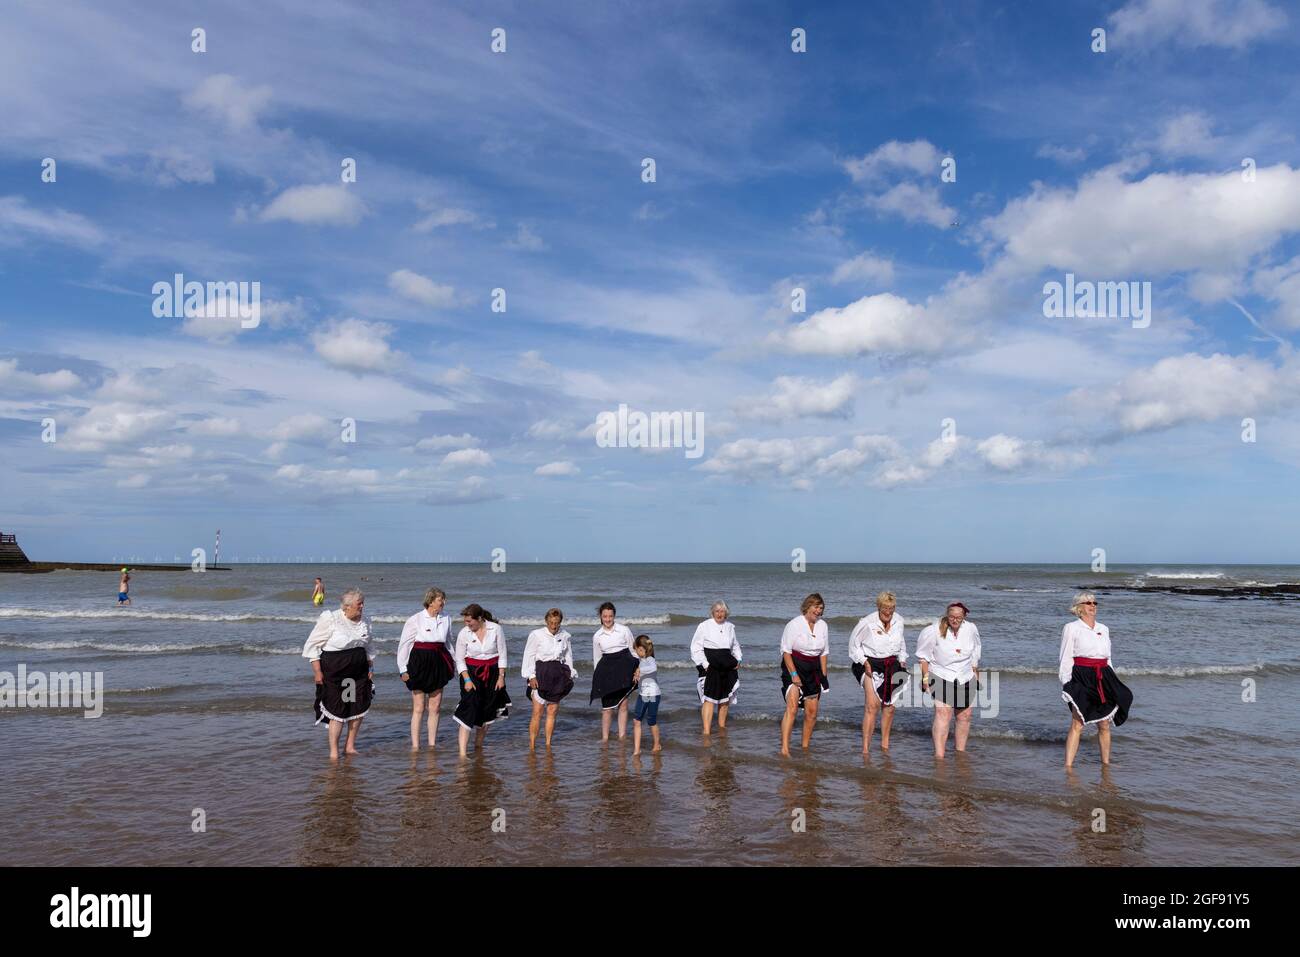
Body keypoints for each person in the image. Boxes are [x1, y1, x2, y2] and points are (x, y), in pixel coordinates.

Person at [1061, 591, 1133, 768]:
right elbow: (1065, 657)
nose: (1093, 606)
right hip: (1081, 676)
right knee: (1078, 723)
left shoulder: (1104, 628)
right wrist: (1066, 684)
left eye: (1095, 603)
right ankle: (1068, 766)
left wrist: (1112, 680)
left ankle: (1106, 764)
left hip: (1104, 675)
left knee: (1104, 724)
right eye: (1088, 603)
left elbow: (1108, 658)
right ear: (1079, 607)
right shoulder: (1071, 628)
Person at [303, 588, 375, 760]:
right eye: (359, 604)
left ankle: (349, 746)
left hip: (357, 673)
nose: (362, 606)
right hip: (335, 672)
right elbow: (312, 646)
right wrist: (317, 671)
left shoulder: (365, 620)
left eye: (363, 603)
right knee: (338, 710)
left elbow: (369, 647)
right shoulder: (331, 618)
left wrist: (370, 668)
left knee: (356, 707)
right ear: (346, 607)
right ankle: (334, 751)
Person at [915, 602, 981, 758]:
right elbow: (923, 657)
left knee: (965, 716)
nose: (955, 620)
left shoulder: (971, 629)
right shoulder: (933, 630)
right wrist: (925, 677)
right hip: (940, 675)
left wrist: (975, 669)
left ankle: (960, 753)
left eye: (959, 617)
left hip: (965, 676)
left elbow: (976, 649)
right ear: (947, 615)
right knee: (943, 712)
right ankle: (939, 756)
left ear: (964, 617)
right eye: (952, 616)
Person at [848, 590, 910, 754]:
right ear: (878, 607)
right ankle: (865, 750)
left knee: (889, 707)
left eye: (891, 609)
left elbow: (901, 643)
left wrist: (902, 659)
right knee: (872, 706)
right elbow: (854, 646)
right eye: (885, 609)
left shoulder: (899, 621)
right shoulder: (867, 622)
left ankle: (885, 745)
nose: (888, 612)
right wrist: (864, 662)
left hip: (892, 664)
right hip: (869, 663)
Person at [397, 587, 454, 750]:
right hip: (419, 662)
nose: (443, 602)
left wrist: (455, 663)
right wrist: (403, 669)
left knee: (435, 707)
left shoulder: (447, 618)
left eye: (444, 599)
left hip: (439, 662)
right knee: (419, 707)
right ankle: (415, 745)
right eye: (440, 599)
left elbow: (449, 642)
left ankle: (431, 744)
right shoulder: (415, 619)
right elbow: (404, 645)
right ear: (430, 601)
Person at [453, 603, 511, 757]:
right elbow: (459, 659)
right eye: (465, 621)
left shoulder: (496, 629)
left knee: (487, 711)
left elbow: (503, 654)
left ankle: (478, 746)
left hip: (492, 674)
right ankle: (462, 754)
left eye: (469, 622)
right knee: (469, 708)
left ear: (479, 618)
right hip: (470, 673)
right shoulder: (464, 633)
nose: (467, 625)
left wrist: (501, 676)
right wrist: (466, 680)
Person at [779, 593, 830, 756]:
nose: (818, 610)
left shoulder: (823, 625)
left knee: (812, 712)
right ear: (807, 606)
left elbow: (824, 652)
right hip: (794, 666)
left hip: (813, 669)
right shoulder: (794, 624)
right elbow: (786, 651)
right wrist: (794, 674)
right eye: (815, 606)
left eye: (821, 608)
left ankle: (805, 747)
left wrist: (824, 675)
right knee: (792, 708)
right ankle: (785, 749)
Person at [521, 608, 578, 751]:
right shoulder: (536, 635)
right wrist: (531, 676)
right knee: (537, 711)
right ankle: (532, 746)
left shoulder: (565, 635)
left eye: (557, 623)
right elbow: (529, 656)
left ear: (560, 622)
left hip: (558, 674)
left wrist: (570, 673)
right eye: (551, 622)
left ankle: (547, 745)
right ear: (546, 621)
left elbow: (568, 656)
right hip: (541, 672)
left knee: (552, 711)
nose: (554, 626)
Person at [589, 601, 640, 741]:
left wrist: (637, 669)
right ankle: (605, 738)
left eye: (610, 616)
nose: (607, 619)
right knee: (607, 708)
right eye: (605, 616)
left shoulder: (624, 630)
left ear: (614, 616)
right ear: (600, 616)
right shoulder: (597, 636)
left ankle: (622, 736)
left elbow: (633, 650)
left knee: (623, 704)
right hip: (606, 670)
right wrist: (597, 679)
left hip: (624, 668)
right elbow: (597, 658)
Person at [692, 601, 742, 734]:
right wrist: (705, 664)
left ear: (726, 613)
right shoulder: (704, 626)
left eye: (722, 611)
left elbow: (735, 646)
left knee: (725, 699)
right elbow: (696, 647)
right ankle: (706, 731)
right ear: (712, 612)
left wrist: (739, 659)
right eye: (717, 611)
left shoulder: (730, 627)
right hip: (710, 665)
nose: (720, 614)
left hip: (728, 665)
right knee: (709, 699)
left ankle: (721, 729)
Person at [632, 635, 661, 755]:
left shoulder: (650, 660)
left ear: (645, 649)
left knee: (651, 721)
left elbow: (652, 668)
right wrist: (636, 675)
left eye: (638, 650)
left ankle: (657, 744)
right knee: (636, 720)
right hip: (643, 694)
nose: (636, 652)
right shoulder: (641, 661)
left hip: (653, 695)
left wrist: (640, 670)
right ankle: (637, 750)